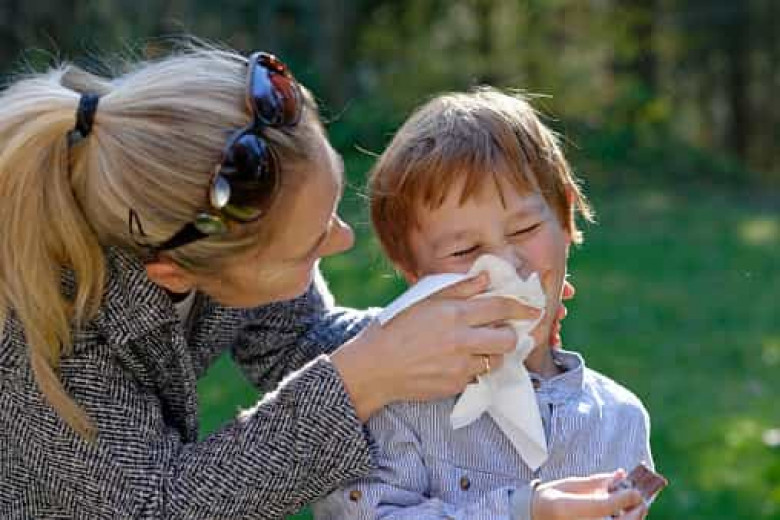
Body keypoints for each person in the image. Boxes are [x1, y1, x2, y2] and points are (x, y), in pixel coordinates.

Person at [0, 43, 630, 520]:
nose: (343, 242)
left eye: (329, 213)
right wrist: (362, 378)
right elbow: (162, 505)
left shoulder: (217, 220)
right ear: (173, 270)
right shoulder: (47, 354)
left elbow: (299, 337)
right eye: (310, 246)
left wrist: (447, 318)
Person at [314, 88, 654, 520]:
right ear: (415, 274)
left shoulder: (620, 422)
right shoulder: (392, 407)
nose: (504, 265)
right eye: (463, 251)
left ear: (565, 217)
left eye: (525, 229)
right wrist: (522, 511)